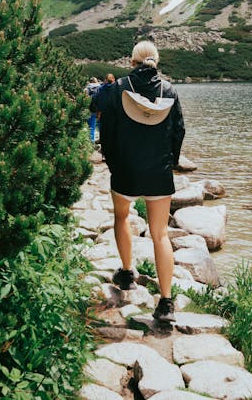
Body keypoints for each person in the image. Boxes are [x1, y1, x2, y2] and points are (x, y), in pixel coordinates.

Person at [97, 41, 185, 323]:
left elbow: (101, 117)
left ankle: (126, 273)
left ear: (132, 61)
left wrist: (111, 159)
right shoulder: (169, 90)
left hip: (125, 170)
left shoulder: (119, 87)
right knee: (160, 234)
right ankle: (166, 302)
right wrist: (171, 162)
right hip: (158, 173)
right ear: (157, 62)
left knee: (122, 217)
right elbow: (179, 130)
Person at [85, 77, 101, 143]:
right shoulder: (100, 87)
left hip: (88, 108)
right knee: (93, 124)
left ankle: (87, 140)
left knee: (87, 124)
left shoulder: (87, 87)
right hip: (96, 109)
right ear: (96, 81)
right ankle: (91, 140)